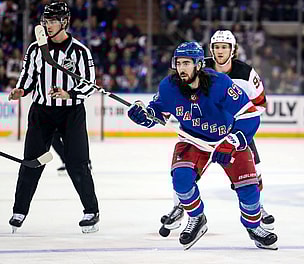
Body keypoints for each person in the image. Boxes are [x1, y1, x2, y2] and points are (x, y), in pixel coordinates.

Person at [127, 42, 278, 250]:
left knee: (249, 189)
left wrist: (232, 141)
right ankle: (197, 218)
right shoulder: (168, 87)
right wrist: (144, 116)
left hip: (225, 139)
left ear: (198, 64)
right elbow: (157, 112)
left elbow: (250, 114)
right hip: (192, 139)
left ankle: (253, 226)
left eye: (187, 63)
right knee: (181, 181)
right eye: (178, 63)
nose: (181, 68)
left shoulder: (220, 83)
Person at [160, 30, 275, 231]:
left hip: (233, 129)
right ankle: (180, 207)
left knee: (254, 168)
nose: (220, 51)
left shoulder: (246, 74)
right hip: (201, 130)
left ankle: (259, 207)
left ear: (233, 50)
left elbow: (259, 104)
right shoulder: (198, 67)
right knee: (183, 173)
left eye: (224, 47)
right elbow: (177, 96)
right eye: (216, 47)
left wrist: (238, 127)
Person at [7, 2, 99, 234]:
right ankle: (19, 210)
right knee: (32, 162)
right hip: (42, 113)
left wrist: (70, 93)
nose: (47, 25)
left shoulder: (80, 51)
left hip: (71, 113)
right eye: (45, 21)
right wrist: (21, 90)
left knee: (77, 163)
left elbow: (89, 84)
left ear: (64, 22)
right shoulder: (35, 49)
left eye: (52, 21)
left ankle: (91, 210)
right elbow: (27, 76)